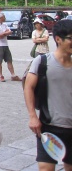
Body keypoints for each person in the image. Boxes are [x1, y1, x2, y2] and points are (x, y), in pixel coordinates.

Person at [24, 19, 72, 171]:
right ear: (58, 39)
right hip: (49, 126)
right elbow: (28, 87)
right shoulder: (42, 61)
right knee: (45, 168)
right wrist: (32, 116)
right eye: (71, 38)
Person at [0, 13, 21, 82]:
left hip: (5, 44)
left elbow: (10, 31)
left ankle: (13, 75)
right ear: (0, 18)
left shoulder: (4, 25)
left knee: (9, 60)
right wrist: (5, 33)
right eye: (4, 17)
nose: (5, 18)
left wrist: (4, 33)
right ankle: (1, 76)